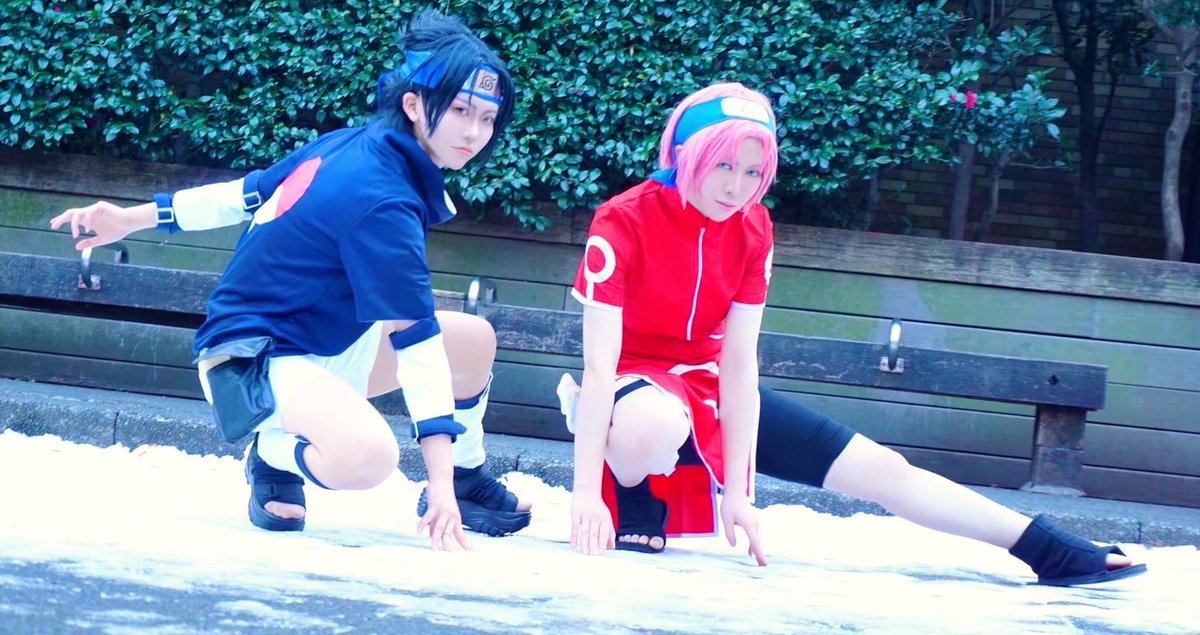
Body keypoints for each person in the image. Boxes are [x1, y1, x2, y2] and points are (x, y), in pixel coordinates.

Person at [561, 81, 1146, 587]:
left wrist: (739, 492)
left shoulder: (753, 228)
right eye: (722, 166)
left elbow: (738, 365)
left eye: (751, 172)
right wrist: (585, 493)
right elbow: (600, 366)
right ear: (685, 153)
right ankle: (630, 484)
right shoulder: (624, 217)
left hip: (708, 386)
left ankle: (1045, 548)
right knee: (653, 423)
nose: (735, 187)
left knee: (884, 469)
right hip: (631, 387)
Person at [49, 11, 531, 547]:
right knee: (368, 457)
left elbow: (243, 194)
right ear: (414, 106)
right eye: (460, 110)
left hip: (327, 348)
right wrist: (432, 483)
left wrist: (129, 218)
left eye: (487, 118)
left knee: (472, 341)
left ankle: (465, 479)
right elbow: (414, 340)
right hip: (250, 363)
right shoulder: (383, 197)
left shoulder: (353, 144)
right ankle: (274, 451)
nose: (473, 133)